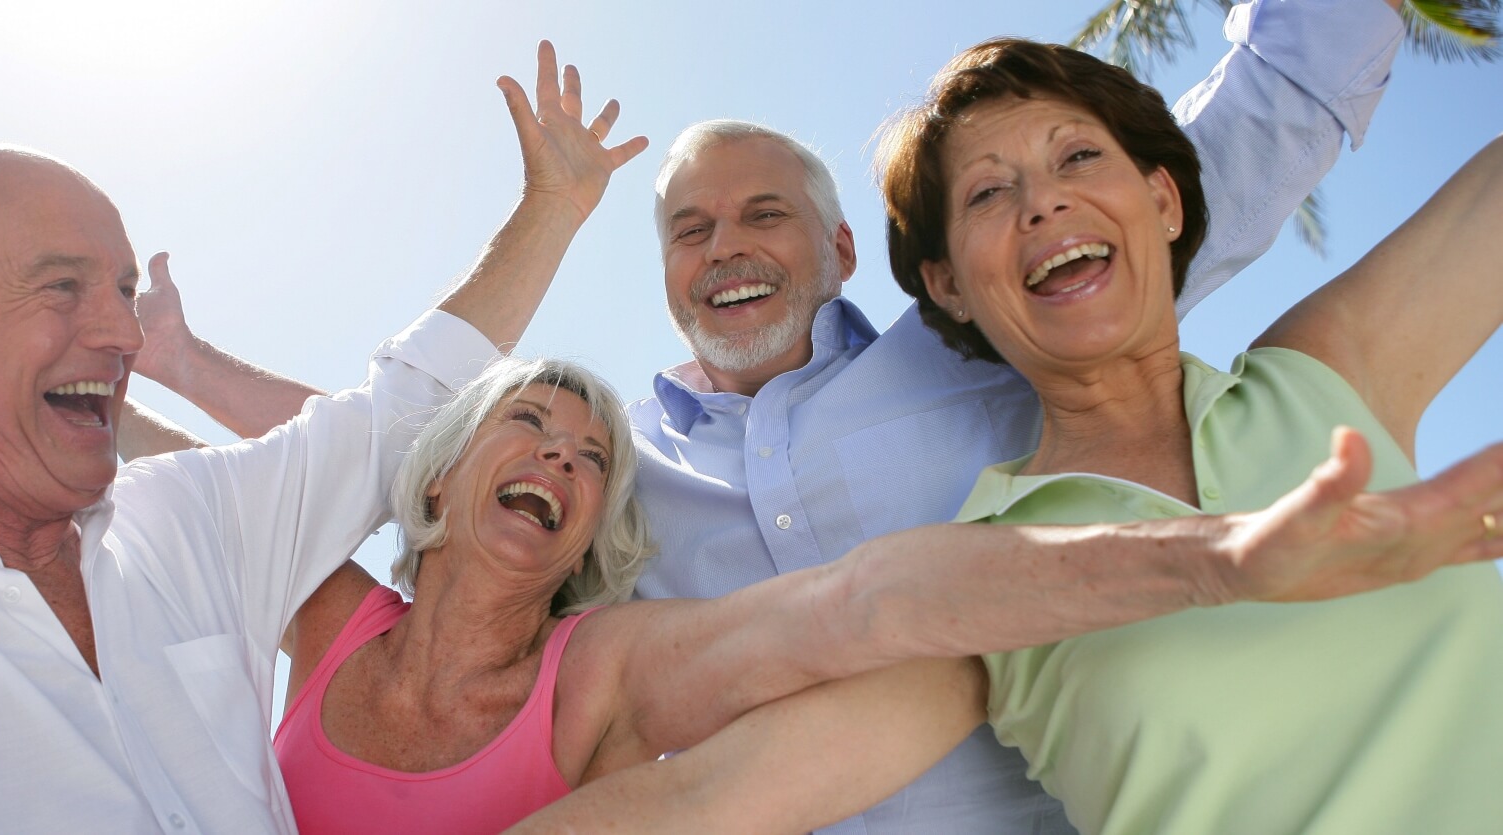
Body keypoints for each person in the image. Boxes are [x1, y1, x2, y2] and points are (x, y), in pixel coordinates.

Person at [130, 1, 1419, 830]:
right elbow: (407, 461)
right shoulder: (610, 470)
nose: (725, 247)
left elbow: (1263, 120)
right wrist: (183, 364)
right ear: (666, 276)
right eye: (691, 228)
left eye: (762, 215)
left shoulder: (984, 333)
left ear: (845, 248)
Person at [0, 43, 645, 834]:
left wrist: (550, 208)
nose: (116, 330)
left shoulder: (191, 527)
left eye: (119, 289)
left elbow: (401, 407)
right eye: (60, 286)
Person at [509, 35, 1503, 835]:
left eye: (1077, 157)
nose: (1044, 200)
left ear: (1162, 199)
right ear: (945, 282)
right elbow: (701, 796)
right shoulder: (986, 590)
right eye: (988, 193)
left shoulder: (1324, 377)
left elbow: (1305, 79)